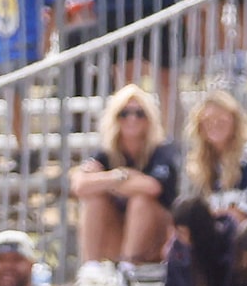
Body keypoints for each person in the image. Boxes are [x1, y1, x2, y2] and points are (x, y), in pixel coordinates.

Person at [75, 85, 177, 270]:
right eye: (124, 113)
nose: (132, 119)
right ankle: (91, 268)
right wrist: (120, 176)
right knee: (95, 201)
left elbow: (152, 187)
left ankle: (127, 268)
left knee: (141, 202)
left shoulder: (161, 150)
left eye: (139, 113)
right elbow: (80, 186)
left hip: (155, 238)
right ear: (115, 118)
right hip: (116, 237)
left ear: (149, 118)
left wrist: (102, 181)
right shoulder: (106, 152)